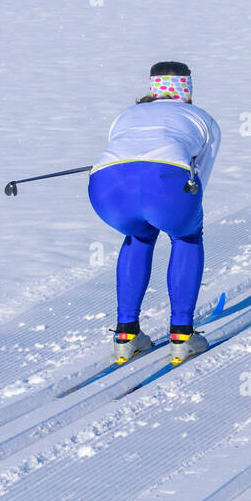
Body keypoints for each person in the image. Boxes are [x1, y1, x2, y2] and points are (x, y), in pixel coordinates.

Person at [88, 62, 221, 363]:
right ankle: (183, 334)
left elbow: (123, 152)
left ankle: (126, 333)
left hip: (107, 188)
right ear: (187, 90)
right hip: (167, 186)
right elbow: (200, 179)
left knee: (139, 234)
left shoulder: (125, 115)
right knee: (187, 236)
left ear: (152, 89)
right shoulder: (202, 118)